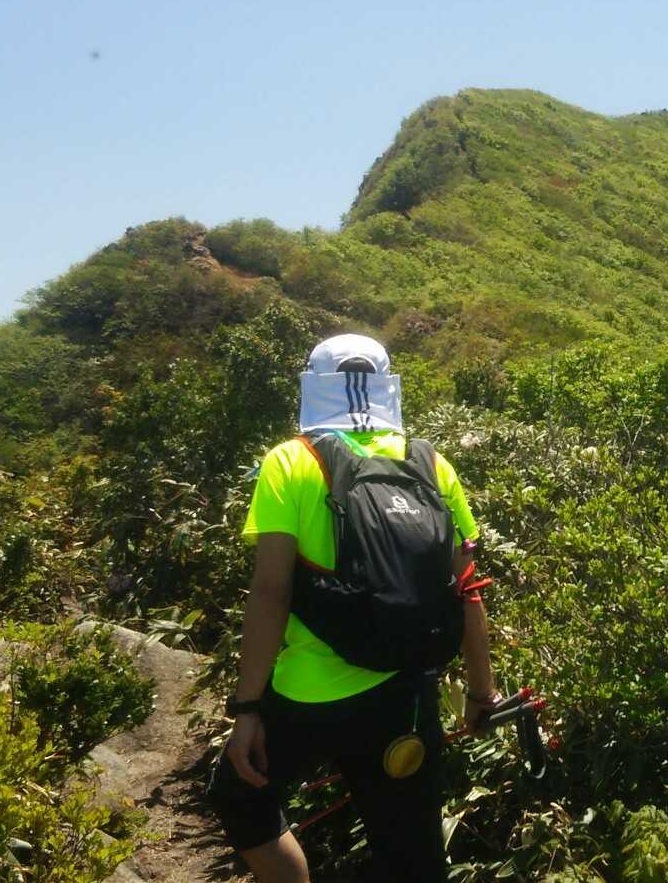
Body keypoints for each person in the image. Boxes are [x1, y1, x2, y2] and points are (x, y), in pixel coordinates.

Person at [209, 333, 498, 882]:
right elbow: (467, 588)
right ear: (388, 385)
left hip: (307, 698)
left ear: (314, 385)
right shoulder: (431, 464)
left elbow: (271, 592)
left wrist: (247, 709)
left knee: (241, 799)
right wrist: (481, 693)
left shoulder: (291, 462)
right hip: (404, 697)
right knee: (411, 857)